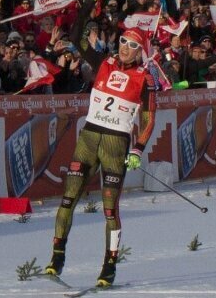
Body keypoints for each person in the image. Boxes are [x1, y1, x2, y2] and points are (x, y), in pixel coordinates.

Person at [46, 28, 159, 288]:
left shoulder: (145, 78)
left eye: (132, 44)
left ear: (140, 50)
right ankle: (57, 257)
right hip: (88, 139)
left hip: (115, 144)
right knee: (67, 199)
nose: (124, 47)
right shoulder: (103, 63)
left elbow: (149, 118)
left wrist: (138, 149)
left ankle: (109, 266)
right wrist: (87, 1)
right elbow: (77, 37)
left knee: (110, 210)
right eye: (122, 41)